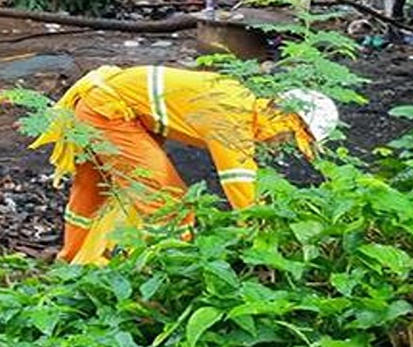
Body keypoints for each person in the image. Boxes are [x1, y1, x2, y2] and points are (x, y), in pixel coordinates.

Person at [32, 65, 338, 262]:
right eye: (290, 137)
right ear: (286, 119)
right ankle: (163, 276)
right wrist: (263, 239)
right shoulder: (232, 114)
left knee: (95, 190)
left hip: (101, 104)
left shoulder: (239, 101)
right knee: (170, 203)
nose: (283, 143)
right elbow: (241, 184)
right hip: (108, 111)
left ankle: (70, 262)